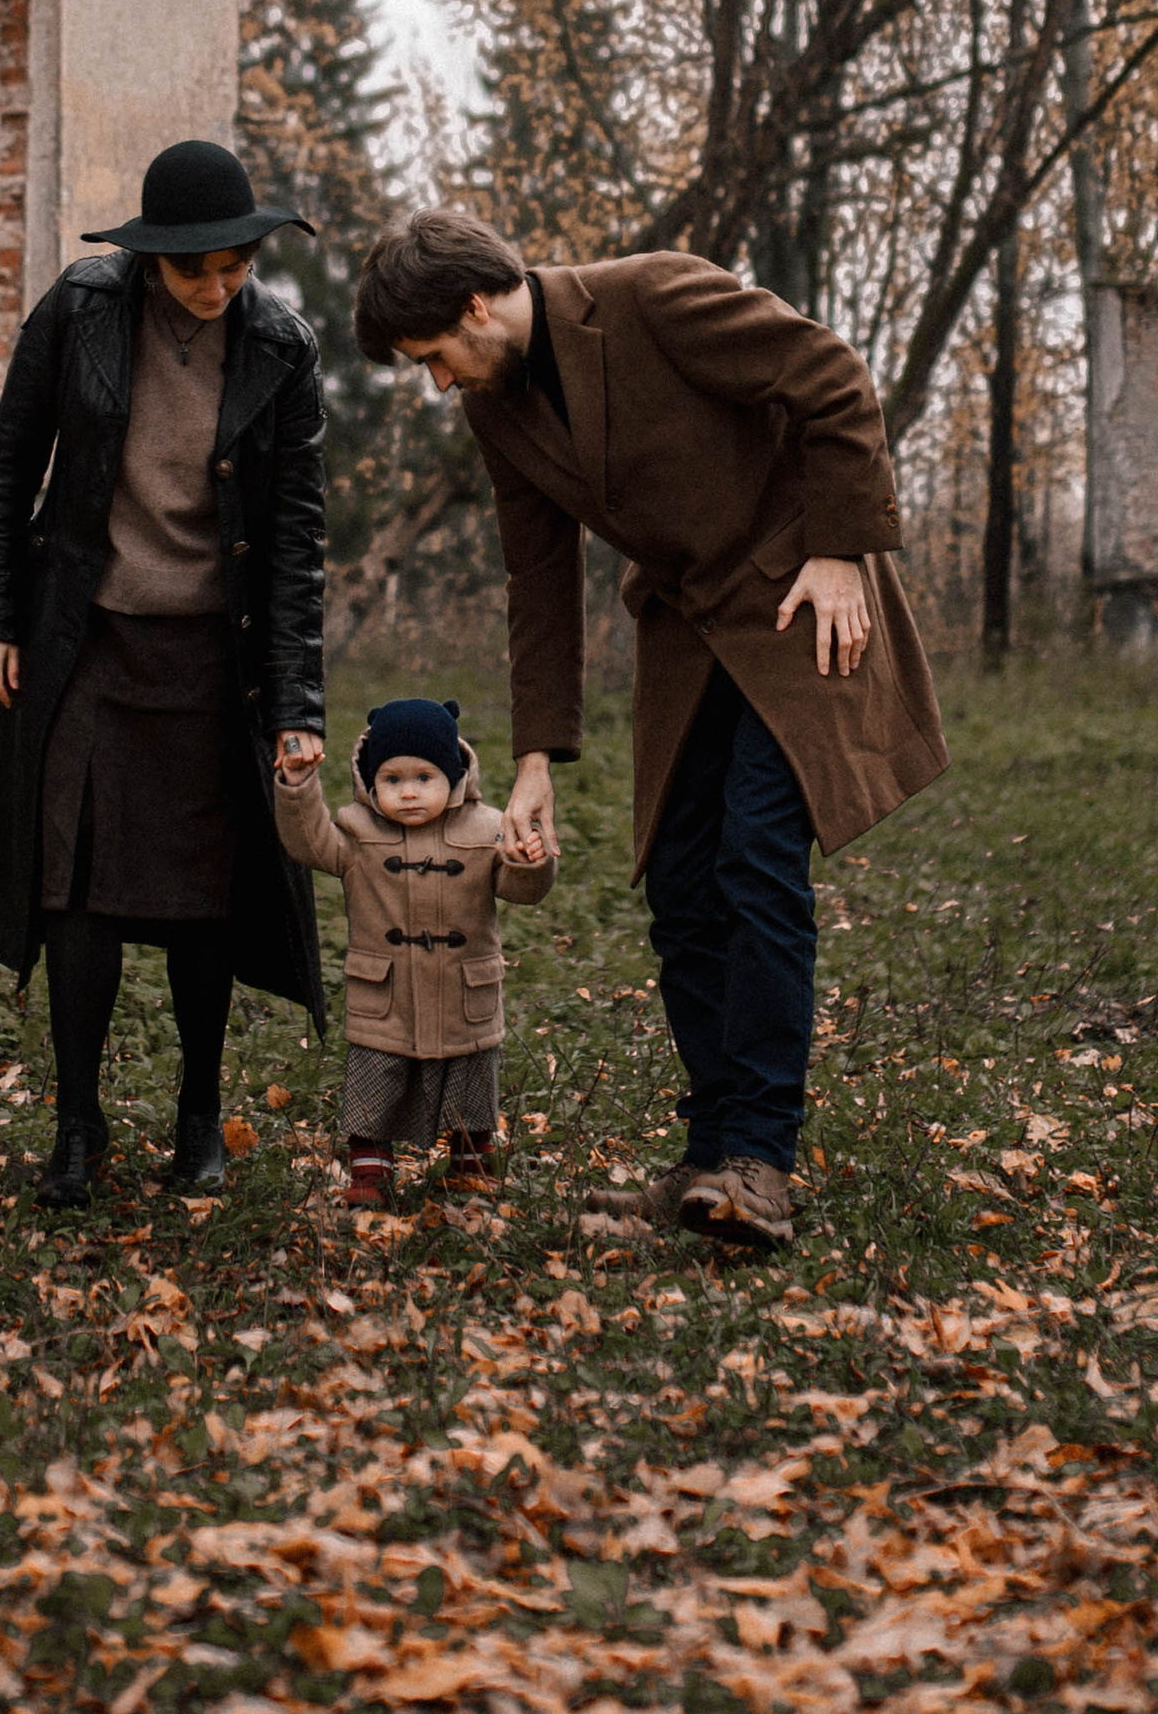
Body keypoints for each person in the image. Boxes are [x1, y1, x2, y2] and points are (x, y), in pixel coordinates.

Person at [352, 209, 946, 1251]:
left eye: (433, 356)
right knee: (678, 877)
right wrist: (533, 760)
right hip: (687, 628)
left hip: (797, 593)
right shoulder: (500, 408)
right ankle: (709, 1151)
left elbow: (831, 374)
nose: (438, 381)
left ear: (475, 304)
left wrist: (844, 547)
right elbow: (536, 577)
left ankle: (760, 1159)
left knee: (756, 858)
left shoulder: (654, 296)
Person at [0, 139, 328, 1208]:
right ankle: (76, 1129)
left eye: (236, 263)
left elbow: (299, 541)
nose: (218, 285)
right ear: (152, 255)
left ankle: (197, 1120)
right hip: (86, 639)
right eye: (196, 268)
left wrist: (296, 701)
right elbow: (8, 461)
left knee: (201, 896)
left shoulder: (280, 344)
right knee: (73, 881)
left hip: (212, 657)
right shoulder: (79, 310)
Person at [275, 693, 557, 1215]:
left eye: (424, 778)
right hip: (384, 993)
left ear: (453, 776)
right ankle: (370, 1167)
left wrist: (528, 860)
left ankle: (471, 1162)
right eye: (392, 780)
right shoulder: (357, 833)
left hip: (463, 992)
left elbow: (523, 889)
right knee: (376, 1076)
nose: (408, 793)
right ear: (369, 782)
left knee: (469, 1077)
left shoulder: (487, 828)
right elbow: (308, 841)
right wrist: (298, 785)